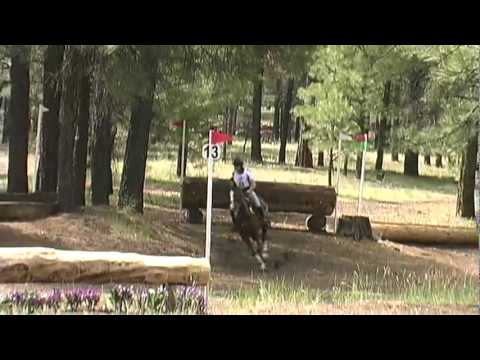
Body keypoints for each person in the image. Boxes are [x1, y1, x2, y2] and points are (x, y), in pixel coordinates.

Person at [229, 157, 265, 222]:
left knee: (256, 201)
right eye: (235, 166)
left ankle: (262, 217)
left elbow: (253, 183)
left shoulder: (247, 173)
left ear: (241, 166)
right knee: (232, 207)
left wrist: (250, 190)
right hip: (239, 192)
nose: (236, 168)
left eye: (237, 166)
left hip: (247, 190)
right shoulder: (234, 174)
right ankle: (234, 221)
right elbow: (233, 184)